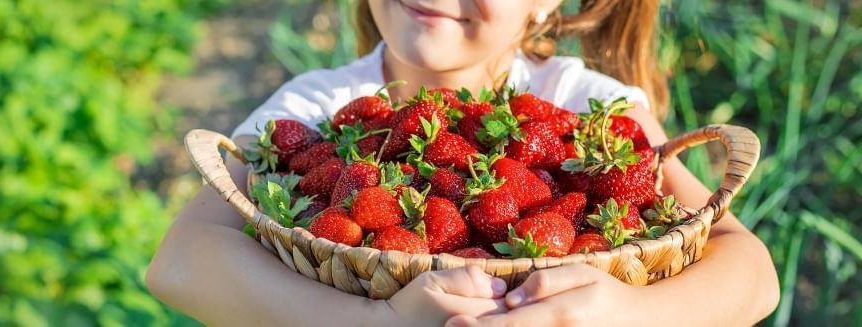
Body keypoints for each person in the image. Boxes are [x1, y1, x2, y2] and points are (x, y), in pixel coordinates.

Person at [146, 1, 780, 326]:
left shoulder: (589, 109)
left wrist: (625, 314)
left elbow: (752, 272)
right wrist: (374, 323)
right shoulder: (320, 111)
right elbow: (178, 263)